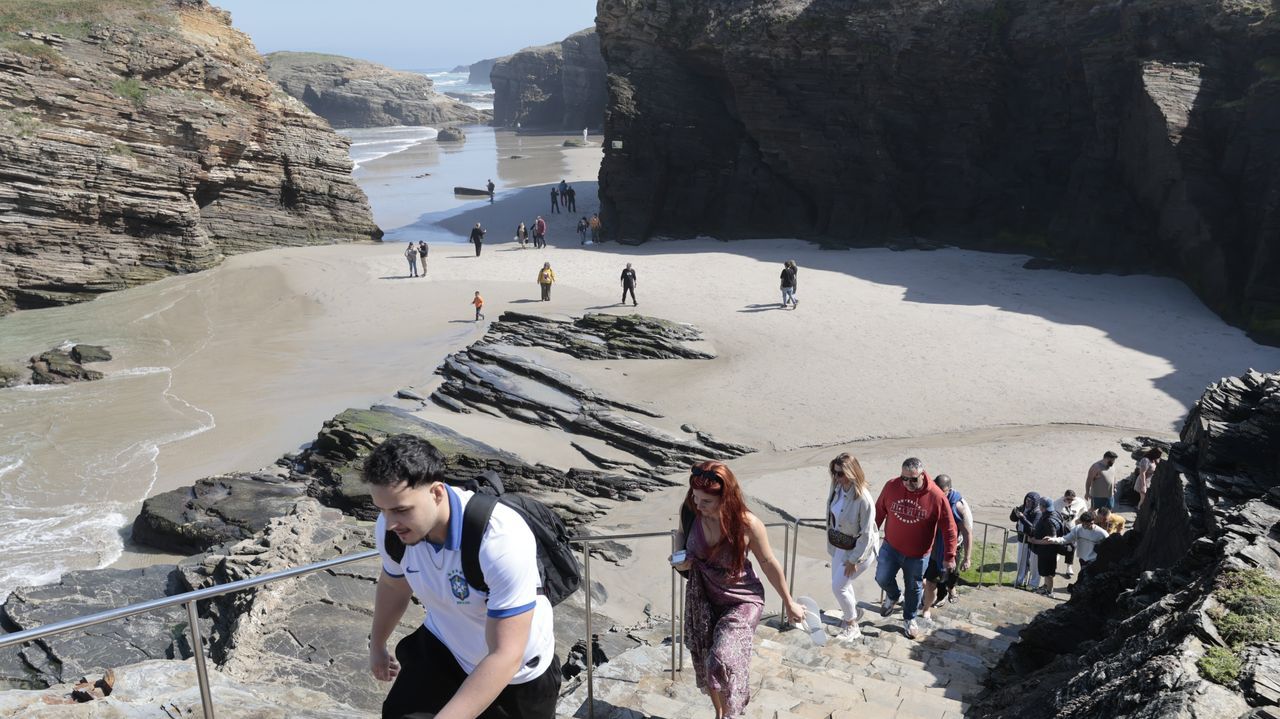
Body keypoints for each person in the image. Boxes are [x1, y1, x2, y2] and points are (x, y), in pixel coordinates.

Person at [363, 435, 560, 719]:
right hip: (447, 645)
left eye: (401, 510)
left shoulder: (499, 539)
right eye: (381, 509)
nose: (390, 523)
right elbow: (394, 585)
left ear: (437, 493)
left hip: (516, 675)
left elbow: (505, 655)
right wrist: (378, 645)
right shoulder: (392, 530)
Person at [669, 461, 804, 719]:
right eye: (695, 498)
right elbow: (681, 539)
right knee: (707, 661)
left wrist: (789, 602)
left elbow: (768, 562)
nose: (699, 505)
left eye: (706, 501)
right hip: (704, 598)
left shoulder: (747, 524)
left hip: (742, 600)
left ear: (726, 498)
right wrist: (679, 560)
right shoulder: (690, 511)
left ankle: (733, 710)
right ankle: (721, 713)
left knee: (721, 657)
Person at [874, 458, 957, 639]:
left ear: (922, 475)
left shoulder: (936, 495)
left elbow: (949, 527)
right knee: (881, 577)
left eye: (913, 479)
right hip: (891, 547)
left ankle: (909, 618)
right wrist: (868, 537)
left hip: (918, 555)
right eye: (904, 478)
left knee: (914, 588)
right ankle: (894, 595)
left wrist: (950, 556)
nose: (908, 483)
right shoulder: (892, 486)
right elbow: (879, 511)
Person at [825, 453, 880, 642]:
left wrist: (853, 560)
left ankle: (852, 625)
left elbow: (866, 534)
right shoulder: (838, 487)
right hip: (841, 543)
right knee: (841, 584)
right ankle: (853, 611)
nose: (836, 477)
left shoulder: (863, 499)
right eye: (834, 473)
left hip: (859, 549)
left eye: (840, 474)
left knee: (838, 586)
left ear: (852, 472)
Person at [922, 474, 972, 620]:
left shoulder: (958, 506)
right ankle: (928, 606)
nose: (938, 493)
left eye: (941, 490)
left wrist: (967, 558)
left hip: (954, 547)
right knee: (931, 580)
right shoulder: (932, 498)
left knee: (951, 574)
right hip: (934, 547)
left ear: (948, 490)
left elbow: (968, 533)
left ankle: (950, 590)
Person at [1031, 511, 1108, 580]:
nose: (1084, 526)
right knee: (1085, 578)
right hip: (1082, 559)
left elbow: (1110, 545)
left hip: (1093, 560)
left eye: (1086, 524)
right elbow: (1066, 539)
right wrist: (1053, 539)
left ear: (1092, 522)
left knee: (1086, 578)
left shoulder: (1102, 533)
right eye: (1082, 523)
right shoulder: (1078, 529)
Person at [1030, 496, 1066, 595]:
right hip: (1049, 551)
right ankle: (1046, 587)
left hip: (1047, 551)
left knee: (1048, 573)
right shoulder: (1056, 513)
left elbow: (1051, 539)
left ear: (1042, 507)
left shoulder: (1048, 520)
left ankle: (1049, 591)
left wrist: (1035, 541)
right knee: (1046, 572)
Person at [1052, 489, 1088, 579]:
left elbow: (1085, 512)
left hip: (1072, 528)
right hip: (1060, 528)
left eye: (1072, 500)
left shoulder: (1080, 502)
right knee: (1057, 545)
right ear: (1064, 497)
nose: (1069, 501)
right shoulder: (1057, 503)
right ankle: (1055, 560)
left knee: (1071, 547)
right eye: (1067, 499)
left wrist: (1080, 521)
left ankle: (1069, 567)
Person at [1010, 492, 1043, 590]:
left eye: (1030, 501)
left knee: (1033, 563)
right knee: (1021, 561)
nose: (1027, 503)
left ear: (1035, 502)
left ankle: (1033, 583)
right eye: (1026, 500)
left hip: (1032, 540)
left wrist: (1023, 518)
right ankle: (1020, 579)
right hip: (1021, 538)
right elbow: (1012, 519)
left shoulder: (1038, 512)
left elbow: (1033, 528)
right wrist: (1014, 512)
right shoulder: (1022, 507)